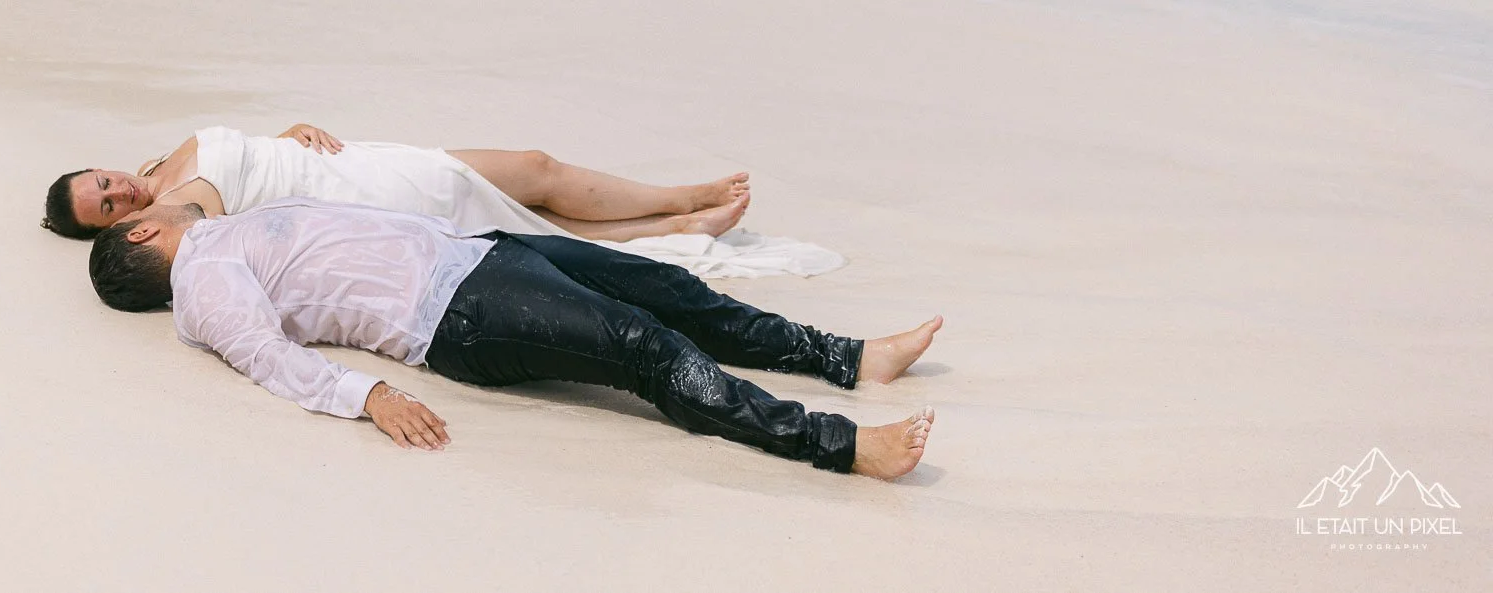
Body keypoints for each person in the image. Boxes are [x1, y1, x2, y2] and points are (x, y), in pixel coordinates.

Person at [87, 198, 940, 478]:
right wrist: (367, 395)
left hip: (480, 255)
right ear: (135, 237)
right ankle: (838, 444)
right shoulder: (200, 278)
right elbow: (266, 354)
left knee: (666, 287)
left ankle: (846, 357)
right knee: (643, 345)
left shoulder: (219, 228)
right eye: (135, 210)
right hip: (460, 312)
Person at [44, 123, 842, 278]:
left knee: (525, 182)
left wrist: (286, 130)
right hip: (357, 190)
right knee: (520, 187)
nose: (117, 191)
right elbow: (206, 227)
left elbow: (243, 153)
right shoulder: (182, 200)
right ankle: (676, 209)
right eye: (107, 209)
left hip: (347, 158)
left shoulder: (166, 158)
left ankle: (667, 216)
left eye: (102, 182)